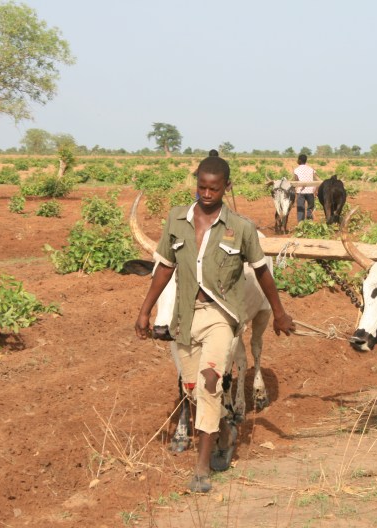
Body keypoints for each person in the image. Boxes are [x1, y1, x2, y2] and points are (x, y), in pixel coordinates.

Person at [135, 155, 295, 493]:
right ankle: (225, 431)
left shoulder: (242, 228)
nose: (206, 194)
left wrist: (279, 312)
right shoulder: (177, 220)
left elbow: (262, 271)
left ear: (226, 187)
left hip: (221, 316)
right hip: (183, 316)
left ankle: (201, 469)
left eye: (214, 188)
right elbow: (164, 267)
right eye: (202, 187)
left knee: (209, 384)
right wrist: (145, 310)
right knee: (191, 388)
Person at [293, 154, 316, 222]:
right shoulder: (311, 169)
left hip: (300, 192)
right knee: (310, 208)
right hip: (310, 192)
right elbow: (316, 179)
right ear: (305, 160)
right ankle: (310, 224)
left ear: (299, 160)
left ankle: (300, 225)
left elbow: (296, 180)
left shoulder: (296, 170)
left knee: (300, 208)